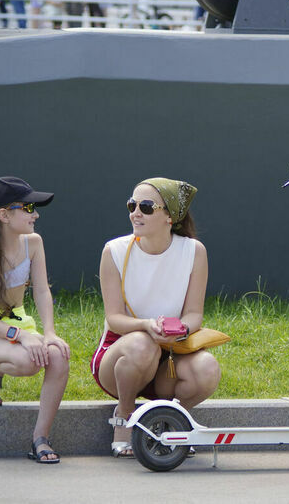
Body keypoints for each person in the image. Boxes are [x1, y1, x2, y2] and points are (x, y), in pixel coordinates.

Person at [91, 178, 221, 458]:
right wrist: (146, 326)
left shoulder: (193, 251)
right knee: (143, 344)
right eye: (132, 205)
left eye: (146, 207)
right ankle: (125, 415)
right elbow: (114, 319)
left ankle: (170, 422)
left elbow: (194, 314)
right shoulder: (114, 251)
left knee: (207, 368)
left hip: (170, 355)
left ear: (169, 217)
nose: (135, 213)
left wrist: (181, 329)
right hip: (120, 357)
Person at [0, 177, 70, 463]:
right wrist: (22, 336)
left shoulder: (33, 243)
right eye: (28, 208)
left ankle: (40, 437)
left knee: (57, 355)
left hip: (19, 321)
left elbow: (41, 290)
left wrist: (49, 333)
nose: (35, 215)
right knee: (28, 362)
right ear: (4, 215)